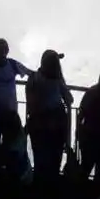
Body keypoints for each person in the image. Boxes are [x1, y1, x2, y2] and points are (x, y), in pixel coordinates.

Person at [25, 49, 74, 186]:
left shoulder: (34, 78)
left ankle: (39, 189)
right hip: (57, 126)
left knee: (39, 160)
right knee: (55, 162)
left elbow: (29, 102)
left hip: (37, 125)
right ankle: (51, 191)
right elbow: (69, 99)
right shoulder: (57, 80)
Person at [0, 38, 33, 120]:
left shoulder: (13, 64)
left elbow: (30, 73)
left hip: (9, 113)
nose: (1, 52)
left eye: (3, 49)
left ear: (7, 50)